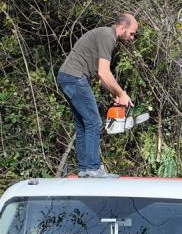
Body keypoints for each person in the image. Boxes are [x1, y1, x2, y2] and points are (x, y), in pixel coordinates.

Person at [58, 13, 139, 177]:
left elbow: (99, 77)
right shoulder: (107, 36)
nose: (132, 38)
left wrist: (115, 93)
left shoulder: (104, 35)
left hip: (66, 77)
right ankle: (93, 169)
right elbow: (103, 72)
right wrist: (122, 93)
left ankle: (84, 169)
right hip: (75, 78)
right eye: (132, 33)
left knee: (83, 123)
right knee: (94, 122)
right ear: (122, 28)